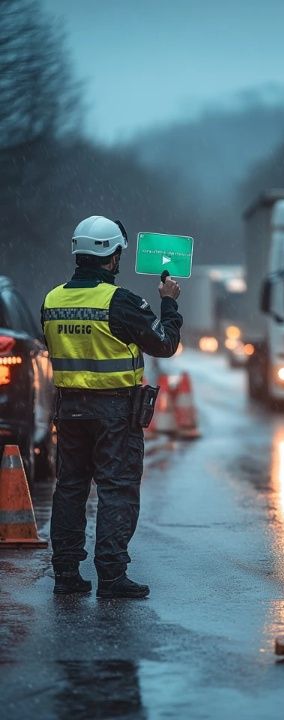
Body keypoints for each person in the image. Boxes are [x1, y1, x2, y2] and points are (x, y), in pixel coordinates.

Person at [41, 215, 182, 598]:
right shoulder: (120, 302)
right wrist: (168, 303)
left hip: (69, 410)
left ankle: (67, 574)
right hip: (114, 412)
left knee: (69, 489)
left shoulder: (52, 300)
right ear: (112, 256)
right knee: (116, 490)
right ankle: (112, 576)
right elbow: (165, 344)